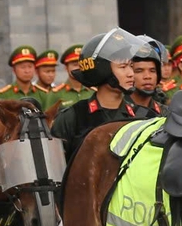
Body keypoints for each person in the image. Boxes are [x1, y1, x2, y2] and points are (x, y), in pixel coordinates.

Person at [48, 29, 145, 166]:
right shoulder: (73, 118)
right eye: (123, 67)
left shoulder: (142, 117)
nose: (131, 73)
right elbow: (55, 168)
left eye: (131, 66)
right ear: (103, 70)